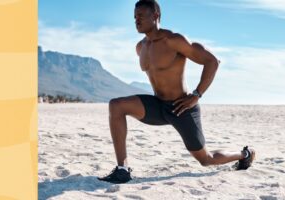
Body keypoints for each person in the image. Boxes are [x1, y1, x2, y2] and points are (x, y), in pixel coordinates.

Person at [98, 0, 255, 184]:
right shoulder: (140, 47)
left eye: (140, 16)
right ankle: (122, 169)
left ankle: (244, 154)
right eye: (134, 17)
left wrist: (196, 95)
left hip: (181, 108)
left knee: (206, 159)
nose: (136, 20)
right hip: (158, 106)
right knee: (116, 105)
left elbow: (212, 61)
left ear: (155, 15)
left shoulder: (174, 40)